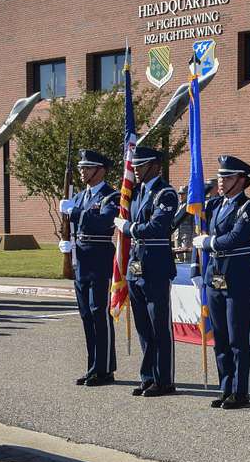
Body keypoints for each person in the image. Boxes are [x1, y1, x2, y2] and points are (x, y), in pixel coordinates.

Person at [191, 156, 250, 409]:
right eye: (220, 177)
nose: (221, 182)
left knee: (238, 338)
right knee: (220, 336)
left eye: (228, 177)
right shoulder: (213, 205)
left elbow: (235, 237)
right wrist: (195, 269)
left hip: (239, 277)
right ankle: (225, 387)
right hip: (214, 276)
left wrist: (209, 243)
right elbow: (199, 232)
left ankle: (240, 391)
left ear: (242, 180)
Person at [113, 146, 179, 398]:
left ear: (155, 166)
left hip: (155, 266)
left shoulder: (166, 193)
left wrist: (128, 227)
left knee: (159, 325)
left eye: (141, 166)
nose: (136, 171)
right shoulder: (137, 192)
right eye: (135, 166)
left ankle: (164, 380)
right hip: (135, 265)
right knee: (143, 327)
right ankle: (148, 376)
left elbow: (157, 227)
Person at [58, 149, 120, 386]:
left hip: (100, 261)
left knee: (99, 313)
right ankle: (93, 366)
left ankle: (105, 369)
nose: (82, 171)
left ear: (100, 170)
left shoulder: (110, 196)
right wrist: (67, 243)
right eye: (81, 167)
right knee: (86, 315)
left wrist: (73, 212)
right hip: (82, 262)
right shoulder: (83, 196)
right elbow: (77, 227)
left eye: (87, 167)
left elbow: (103, 221)